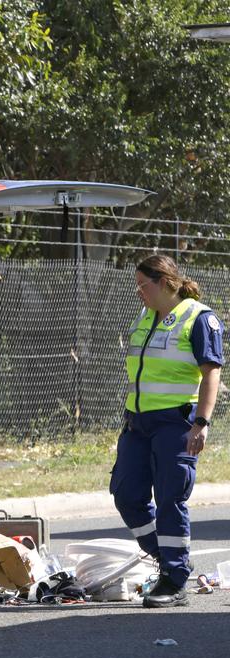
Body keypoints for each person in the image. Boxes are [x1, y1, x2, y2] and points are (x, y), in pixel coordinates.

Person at [113, 254, 222, 608]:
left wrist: (201, 423)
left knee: (170, 498)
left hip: (176, 423)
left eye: (143, 285)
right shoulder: (145, 316)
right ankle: (167, 558)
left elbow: (211, 373)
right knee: (126, 494)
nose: (139, 292)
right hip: (138, 422)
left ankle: (174, 581)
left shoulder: (198, 317)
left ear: (164, 282)